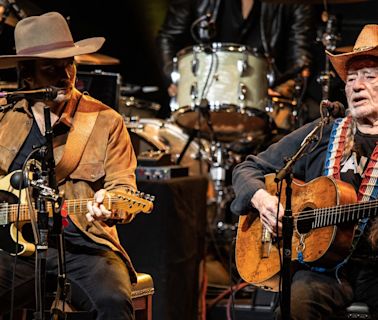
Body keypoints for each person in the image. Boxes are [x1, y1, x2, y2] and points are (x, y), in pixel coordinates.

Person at [0, 12, 143, 319]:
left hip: (84, 247)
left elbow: (123, 187)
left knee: (112, 302)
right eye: (50, 67)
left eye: (69, 63)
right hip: (13, 250)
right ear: (27, 74)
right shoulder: (3, 117)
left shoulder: (106, 121)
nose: (64, 73)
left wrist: (112, 204)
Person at [231, 24, 378, 319]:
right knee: (297, 300)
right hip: (322, 272)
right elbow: (248, 168)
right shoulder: (322, 132)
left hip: (373, 269)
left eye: (370, 77)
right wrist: (263, 201)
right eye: (351, 79)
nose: (356, 86)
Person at [156, 0, 316, 124]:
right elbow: (168, 37)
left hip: (265, 102)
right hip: (202, 98)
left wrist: (283, 91)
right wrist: (176, 78)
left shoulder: (293, 4)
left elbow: (300, 60)